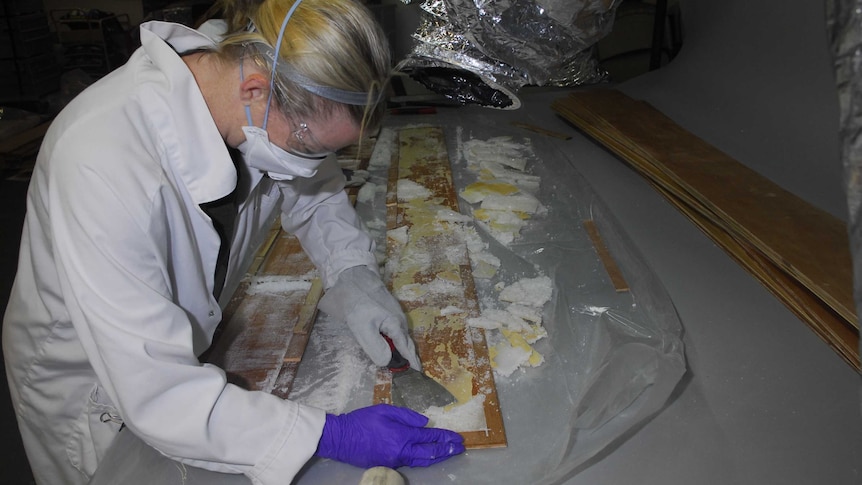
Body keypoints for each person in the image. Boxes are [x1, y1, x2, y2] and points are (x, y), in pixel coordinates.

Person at [1, 0, 465, 483]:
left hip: (178, 338)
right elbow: (155, 389)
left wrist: (352, 274)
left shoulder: (254, 80)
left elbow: (314, 193)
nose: (315, 162)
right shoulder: (103, 162)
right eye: (311, 147)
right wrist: (326, 435)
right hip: (93, 381)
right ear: (255, 91)